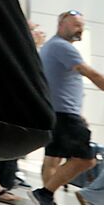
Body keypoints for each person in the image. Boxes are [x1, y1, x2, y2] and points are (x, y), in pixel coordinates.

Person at [32, 10, 101, 205]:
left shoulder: (52, 46)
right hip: (64, 114)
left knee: (52, 158)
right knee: (87, 160)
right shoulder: (62, 47)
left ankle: (46, 199)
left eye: (81, 25)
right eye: (75, 24)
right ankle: (44, 193)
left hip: (59, 112)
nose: (80, 29)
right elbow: (91, 74)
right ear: (61, 25)